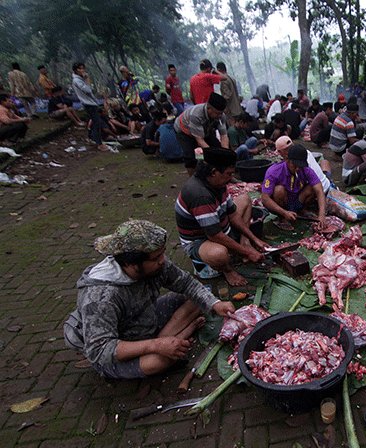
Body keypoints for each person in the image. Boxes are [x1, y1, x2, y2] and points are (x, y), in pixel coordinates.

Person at [63, 219, 239, 379]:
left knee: (197, 299)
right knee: (158, 362)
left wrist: (216, 304)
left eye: (162, 254)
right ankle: (166, 342)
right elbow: (99, 349)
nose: (163, 261)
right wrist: (154, 346)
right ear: (131, 263)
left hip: (145, 318)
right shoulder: (101, 297)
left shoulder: (154, 264)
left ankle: (165, 340)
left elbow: (187, 284)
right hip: (120, 345)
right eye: (156, 258)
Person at [175, 148, 268, 286]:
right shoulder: (200, 195)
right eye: (228, 174)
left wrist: (253, 239)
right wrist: (247, 254)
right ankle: (228, 271)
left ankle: (244, 243)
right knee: (219, 254)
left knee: (245, 200)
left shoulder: (218, 183)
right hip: (201, 240)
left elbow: (233, 214)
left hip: (220, 227)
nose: (231, 178)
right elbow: (214, 236)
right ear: (213, 172)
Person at [261, 144, 327, 231]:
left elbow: (320, 191)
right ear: (287, 160)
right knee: (279, 190)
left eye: (300, 166)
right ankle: (282, 218)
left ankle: (301, 210)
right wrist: (284, 213)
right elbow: (265, 199)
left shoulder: (306, 170)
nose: (297, 169)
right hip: (280, 204)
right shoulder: (274, 171)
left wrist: (322, 215)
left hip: (296, 200)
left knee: (313, 187)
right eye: (295, 166)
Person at [174, 92, 230, 176]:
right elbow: (200, 141)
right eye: (217, 113)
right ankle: (193, 182)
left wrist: (225, 154)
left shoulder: (221, 116)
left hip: (204, 129)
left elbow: (224, 136)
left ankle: (220, 176)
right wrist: (214, 155)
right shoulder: (195, 115)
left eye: (221, 113)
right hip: (184, 130)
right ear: (208, 109)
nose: (220, 115)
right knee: (190, 157)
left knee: (218, 148)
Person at [72, 62, 108, 151]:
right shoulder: (77, 80)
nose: (82, 70)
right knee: (96, 124)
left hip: (91, 103)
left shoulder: (81, 79)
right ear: (76, 70)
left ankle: (96, 140)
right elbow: (88, 90)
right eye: (80, 69)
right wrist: (88, 78)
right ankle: (99, 144)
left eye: (83, 68)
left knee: (95, 123)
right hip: (88, 104)